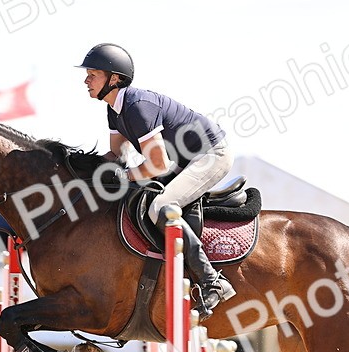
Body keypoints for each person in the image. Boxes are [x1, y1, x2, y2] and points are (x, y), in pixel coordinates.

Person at [77, 42, 236, 318]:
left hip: (211, 154)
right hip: (182, 161)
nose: (86, 79)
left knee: (160, 207)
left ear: (114, 78)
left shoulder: (137, 106)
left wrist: (126, 175)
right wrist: (79, 172)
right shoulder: (113, 109)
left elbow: (157, 164)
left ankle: (213, 280)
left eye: (93, 74)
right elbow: (116, 153)